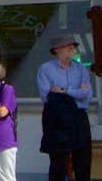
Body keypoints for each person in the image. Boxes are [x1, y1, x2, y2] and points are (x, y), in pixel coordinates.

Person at [40, 35, 94, 180]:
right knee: (58, 161)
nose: (73, 50)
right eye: (69, 47)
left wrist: (65, 91)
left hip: (78, 115)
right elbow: (48, 97)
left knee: (83, 159)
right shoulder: (46, 69)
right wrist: (76, 92)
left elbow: (87, 94)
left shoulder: (81, 69)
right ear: (57, 50)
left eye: (74, 47)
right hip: (57, 117)